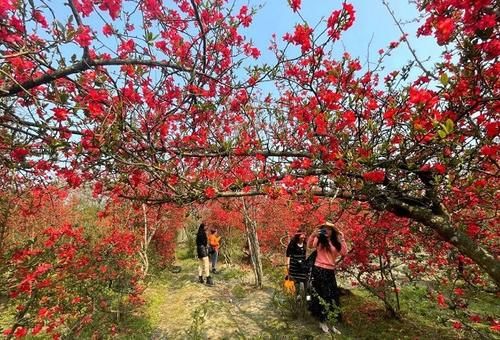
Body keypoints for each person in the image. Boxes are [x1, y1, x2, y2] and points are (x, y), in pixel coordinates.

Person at [307, 222, 347, 334]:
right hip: (318, 270)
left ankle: (332, 323)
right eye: (324, 229)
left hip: (330, 271)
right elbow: (310, 246)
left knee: (332, 297)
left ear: (333, 231)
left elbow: (344, 252)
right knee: (321, 296)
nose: (326, 231)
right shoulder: (319, 240)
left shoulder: (336, 241)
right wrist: (313, 235)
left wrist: (342, 238)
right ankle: (322, 322)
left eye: (329, 229)